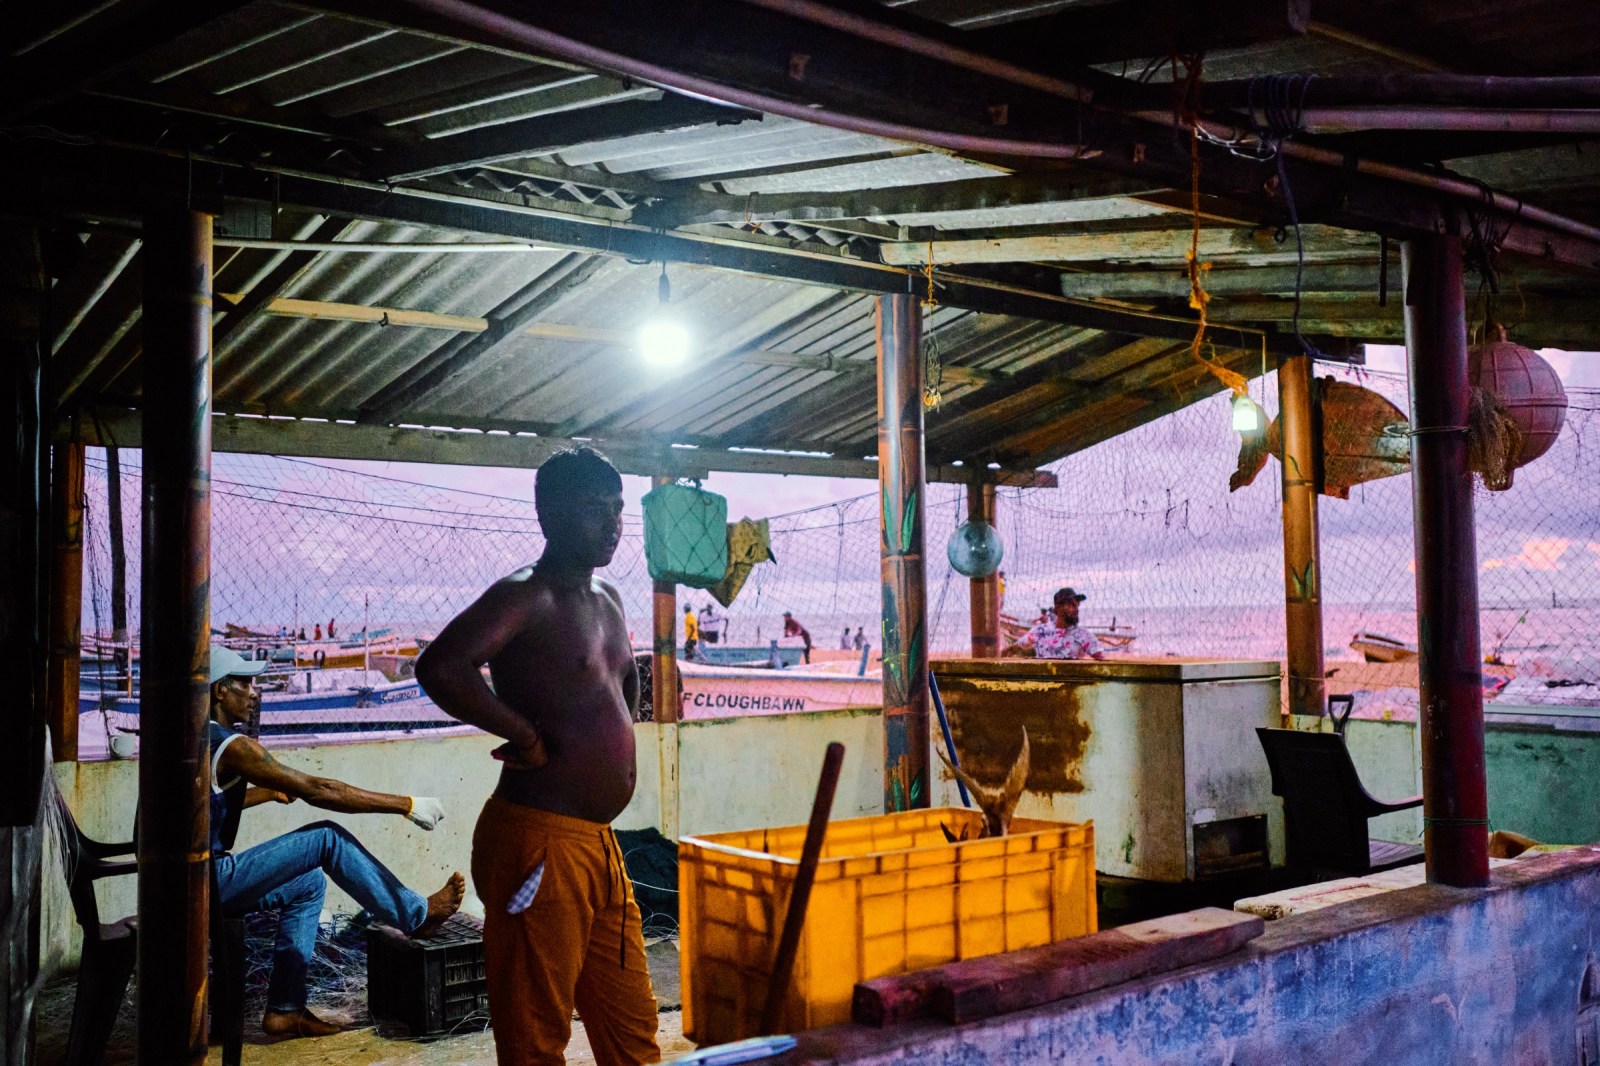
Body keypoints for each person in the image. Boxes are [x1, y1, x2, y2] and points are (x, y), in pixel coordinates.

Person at [415, 447, 660, 1066]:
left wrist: (616, 730)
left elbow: (622, 680)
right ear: (550, 515)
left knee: (632, 1028)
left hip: (600, 845)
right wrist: (523, 735)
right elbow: (442, 667)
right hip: (538, 843)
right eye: (595, 510)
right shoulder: (526, 594)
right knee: (535, 1035)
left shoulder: (608, 597)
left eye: (618, 510)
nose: (613, 525)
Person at [206, 647, 463, 1040]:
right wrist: (406, 805)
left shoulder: (199, 738)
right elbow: (321, 789)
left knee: (309, 885)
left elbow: (210, 803)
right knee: (327, 837)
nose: (255, 692)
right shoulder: (235, 747)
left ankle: (285, 1010)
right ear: (220, 691)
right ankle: (417, 915)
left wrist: (268, 793)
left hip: (188, 881)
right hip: (210, 881)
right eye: (245, 684)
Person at [1006, 587, 1105, 661]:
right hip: (1042, 686)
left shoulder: (1082, 635)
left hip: (1072, 687)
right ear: (1058, 607)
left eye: (1077, 605)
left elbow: (1103, 661)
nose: (1076, 609)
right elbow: (1013, 649)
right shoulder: (1041, 631)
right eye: (1071, 605)